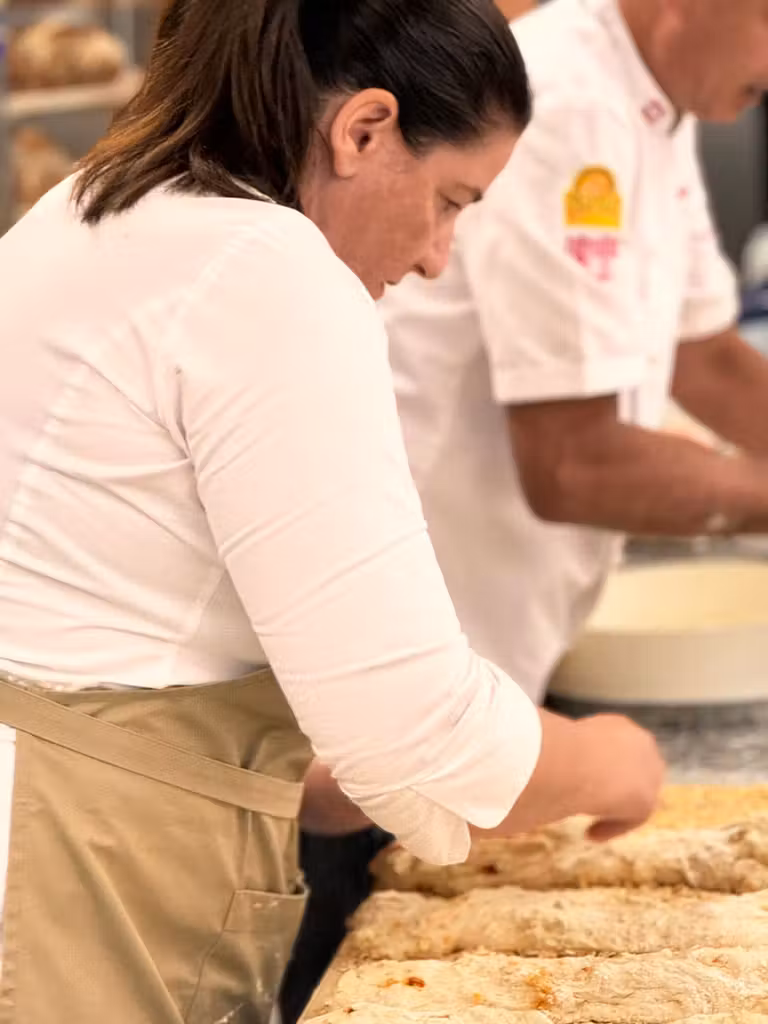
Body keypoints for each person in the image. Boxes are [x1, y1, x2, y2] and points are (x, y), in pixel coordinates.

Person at [0, 0, 664, 1021]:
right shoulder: (269, 272)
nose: (441, 255)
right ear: (363, 130)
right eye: (451, 200)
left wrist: (321, 770)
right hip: (76, 874)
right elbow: (420, 727)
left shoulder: (92, 210)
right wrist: (610, 761)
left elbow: (118, 625)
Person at [381, 0, 768, 704]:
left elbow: (703, 355)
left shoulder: (659, 92)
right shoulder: (562, 106)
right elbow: (572, 464)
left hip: (504, 638)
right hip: (422, 628)